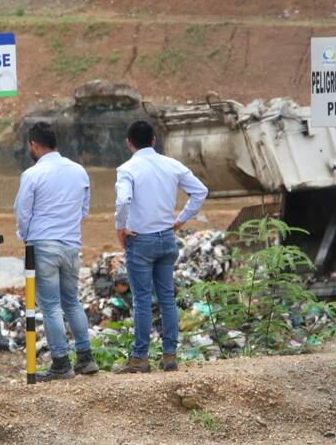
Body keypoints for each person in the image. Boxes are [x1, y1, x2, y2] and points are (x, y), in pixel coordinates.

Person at [113, 120, 208, 373]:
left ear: (129, 143)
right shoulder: (172, 165)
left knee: (142, 300)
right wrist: (181, 219)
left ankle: (140, 358)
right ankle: (169, 356)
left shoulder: (127, 169)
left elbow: (123, 200)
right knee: (167, 298)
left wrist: (120, 227)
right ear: (154, 140)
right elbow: (200, 191)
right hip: (167, 239)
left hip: (140, 241)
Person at [15, 122, 98, 381]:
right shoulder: (79, 171)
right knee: (72, 301)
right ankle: (86, 358)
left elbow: (22, 212)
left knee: (50, 306)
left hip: (43, 245)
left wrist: (26, 236)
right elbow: (84, 208)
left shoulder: (32, 174)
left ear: (34, 144)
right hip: (71, 245)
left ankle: (61, 363)